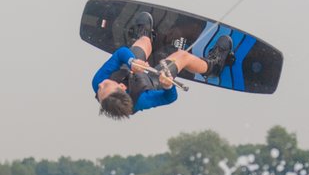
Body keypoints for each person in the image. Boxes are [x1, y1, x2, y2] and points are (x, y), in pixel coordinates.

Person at [91, 12, 233, 119]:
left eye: (99, 91)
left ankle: (146, 37)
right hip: (150, 81)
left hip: (129, 70)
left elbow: (120, 53)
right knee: (182, 56)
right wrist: (167, 85)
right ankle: (212, 67)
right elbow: (169, 98)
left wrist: (132, 62)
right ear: (121, 87)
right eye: (104, 87)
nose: (100, 86)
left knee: (140, 46)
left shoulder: (98, 81)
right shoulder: (141, 100)